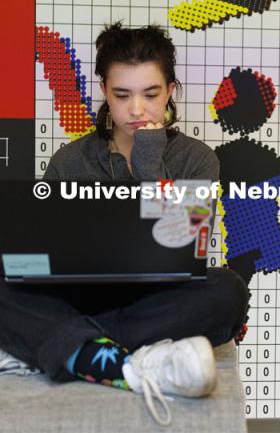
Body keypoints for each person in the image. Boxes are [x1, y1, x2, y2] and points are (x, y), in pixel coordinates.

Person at [0, 22, 249, 426]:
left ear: (170, 91)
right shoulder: (70, 161)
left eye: (150, 94)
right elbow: (40, 254)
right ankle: (125, 361)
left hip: (158, 300)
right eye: (122, 95)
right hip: (76, 296)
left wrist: (149, 162)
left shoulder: (197, 160)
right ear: (104, 92)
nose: (136, 109)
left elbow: (180, 243)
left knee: (227, 292)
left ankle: (62, 346)